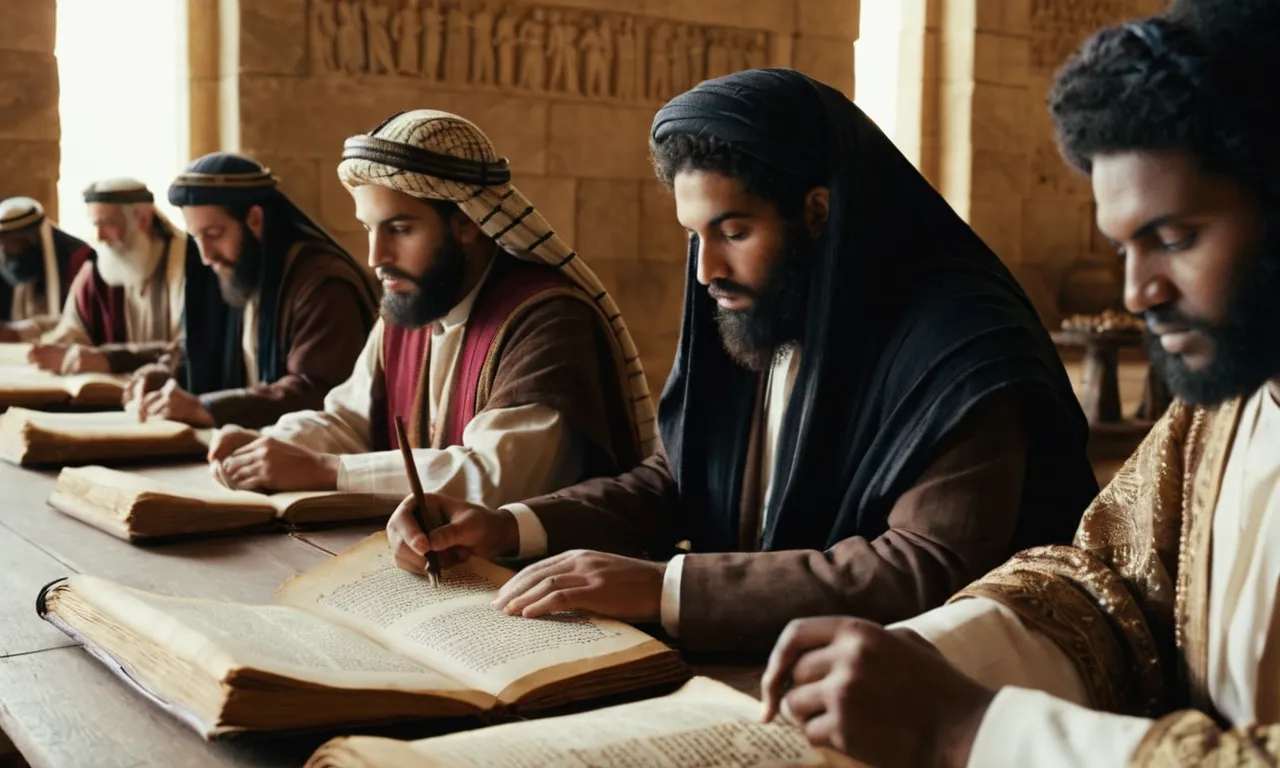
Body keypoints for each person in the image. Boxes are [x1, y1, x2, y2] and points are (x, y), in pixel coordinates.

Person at [388, 69, 1098, 652]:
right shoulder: (750, 304)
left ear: (819, 213)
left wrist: (663, 585)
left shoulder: (963, 339)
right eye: (696, 236)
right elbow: (675, 478)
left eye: (733, 230)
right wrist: (507, 524)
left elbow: (924, 566)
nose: (706, 271)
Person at [760, 6, 1280, 766]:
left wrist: (966, 728)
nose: (1137, 291)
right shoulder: (1221, 413)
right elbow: (1107, 590)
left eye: (1173, 239)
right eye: (1121, 246)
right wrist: (925, 657)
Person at [205, 110, 654, 510]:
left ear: (467, 224)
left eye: (399, 229)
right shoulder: (411, 303)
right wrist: (270, 445)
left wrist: (327, 471)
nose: (375, 256)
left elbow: (497, 479)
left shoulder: (547, 318)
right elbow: (348, 419)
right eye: (369, 229)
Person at [122, 153, 377, 428]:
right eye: (196, 237)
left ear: (255, 219)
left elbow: (314, 389)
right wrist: (160, 374)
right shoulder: (233, 269)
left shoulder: (321, 284)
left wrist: (208, 408)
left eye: (214, 234)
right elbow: (194, 346)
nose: (206, 255)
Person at [26, 179, 186, 375]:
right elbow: (74, 332)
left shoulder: (186, 264)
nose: (99, 236)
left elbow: (186, 350)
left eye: (108, 224)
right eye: (95, 224)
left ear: (143, 220)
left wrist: (107, 359)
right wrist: (55, 350)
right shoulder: (96, 270)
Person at [0, 197, 94, 342]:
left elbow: (88, 320)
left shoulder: (79, 259)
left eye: (11, 241)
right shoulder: (4, 258)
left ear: (32, 240)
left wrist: (34, 328)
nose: (4, 249)